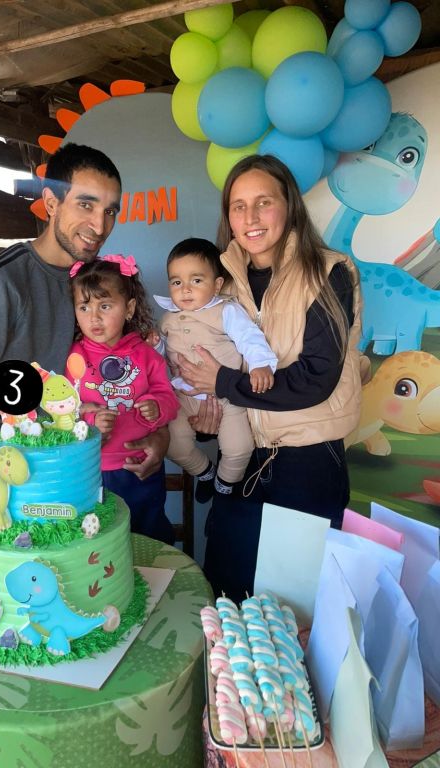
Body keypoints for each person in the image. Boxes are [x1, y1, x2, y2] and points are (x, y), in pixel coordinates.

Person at [0, 143, 169, 481]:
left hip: (91, 472)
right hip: (21, 483)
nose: (100, 226)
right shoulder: (3, 280)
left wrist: (161, 435)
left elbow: (131, 376)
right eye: (86, 204)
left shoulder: (98, 281)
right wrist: (52, 425)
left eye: (110, 211)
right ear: (52, 203)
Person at [177, 155, 362, 601]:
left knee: (295, 608)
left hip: (307, 462)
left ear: (290, 204)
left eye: (264, 202)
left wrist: (224, 384)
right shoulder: (219, 284)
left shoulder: (328, 272)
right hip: (243, 458)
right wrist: (206, 419)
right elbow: (206, 366)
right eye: (238, 206)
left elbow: (316, 377)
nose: (251, 218)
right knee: (227, 595)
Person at [154, 237, 277, 503]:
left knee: (239, 448)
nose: (186, 289)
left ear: (217, 284)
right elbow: (162, 357)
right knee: (172, 445)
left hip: (226, 397)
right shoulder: (167, 318)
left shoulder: (226, 311)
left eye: (196, 280)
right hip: (183, 397)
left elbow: (249, 337)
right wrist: (156, 346)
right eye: (177, 282)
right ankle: (206, 472)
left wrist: (260, 364)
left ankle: (224, 485)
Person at [68, 255, 179, 543]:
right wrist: (90, 419)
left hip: (138, 468)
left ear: (129, 308)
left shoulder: (146, 355)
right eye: (84, 307)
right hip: (90, 471)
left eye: (105, 306)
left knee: (148, 537)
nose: (94, 317)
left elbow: (169, 399)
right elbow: (63, 409)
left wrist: (156, 407)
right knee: (99, 543)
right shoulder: (72, 357)